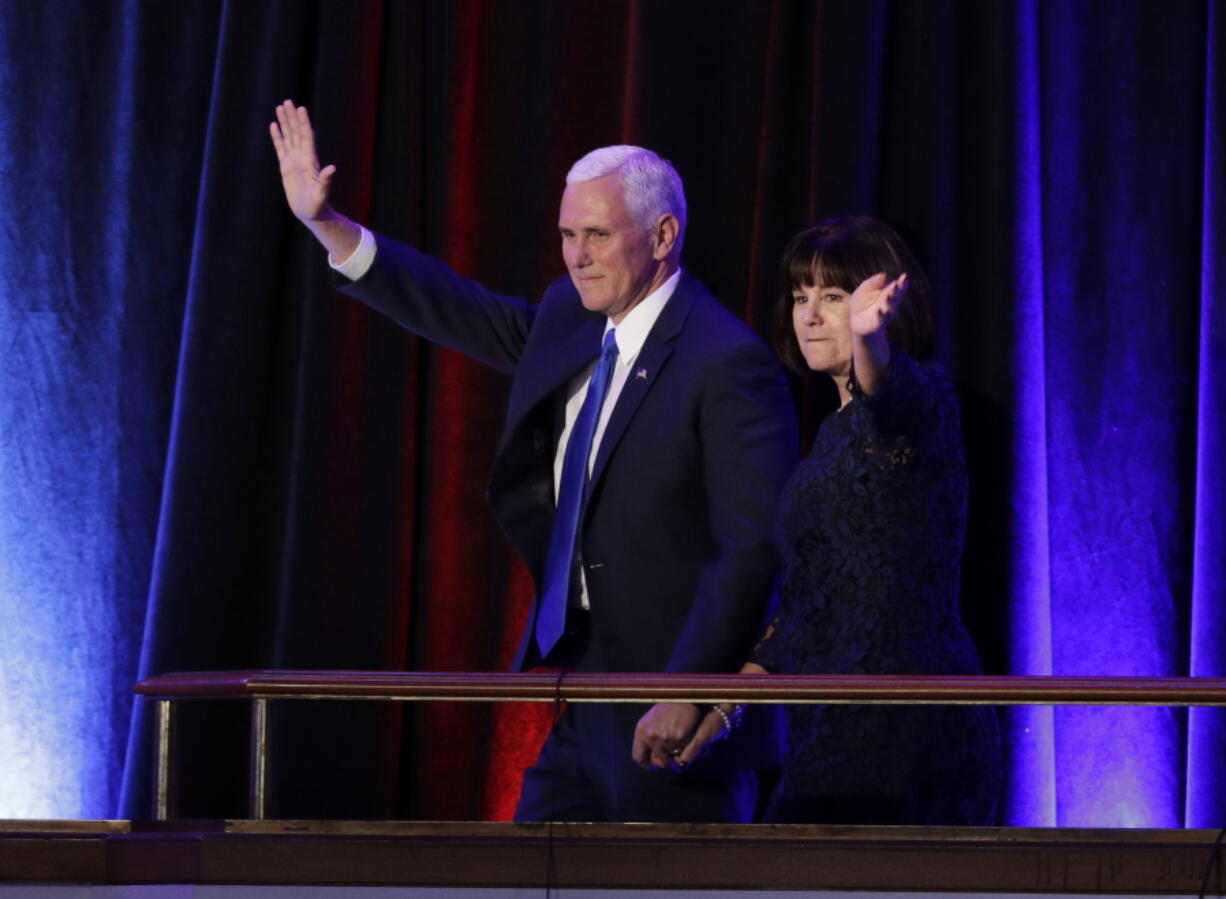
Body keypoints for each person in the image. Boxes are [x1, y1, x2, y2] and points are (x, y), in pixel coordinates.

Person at [269, 101, 798, 822]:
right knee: (526, 866)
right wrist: (326, 226)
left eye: (598, 235)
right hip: (583, 695)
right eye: (567, 235)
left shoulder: (727, 362)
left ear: (663, 235)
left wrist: (691, 688)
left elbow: (751, 549)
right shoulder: (572, 315)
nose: (576, 255)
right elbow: (460, 308)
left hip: (674, 717)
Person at [671, 216, 1001, 825]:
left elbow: (888, 401)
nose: (811, 315)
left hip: (911, 726)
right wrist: (719, 714)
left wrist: (871, 338)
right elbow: (804, 611)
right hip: (831, 724)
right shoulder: (829, 437)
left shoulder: (922, 400)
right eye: (801, 297)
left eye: (833, 296)